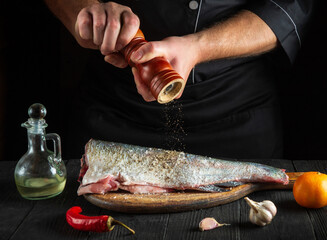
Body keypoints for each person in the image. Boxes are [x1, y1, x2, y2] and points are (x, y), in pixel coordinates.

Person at [44, 0, 313, 159]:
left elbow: (292, 5)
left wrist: (198, 47)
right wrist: (88, 11)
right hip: (115, 113)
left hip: (237, 117)